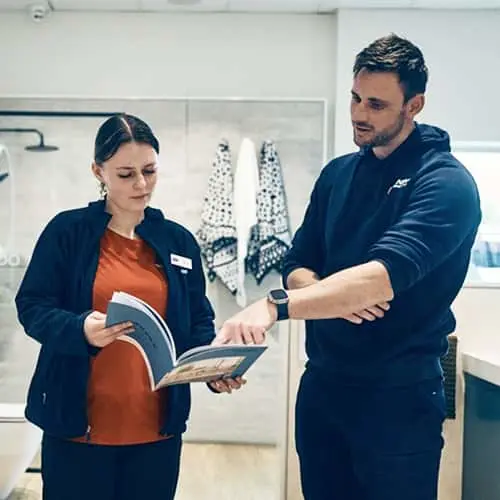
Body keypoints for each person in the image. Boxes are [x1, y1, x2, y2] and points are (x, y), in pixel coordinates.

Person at [213, 34, 482, 500]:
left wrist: (277, 306)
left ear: (413, 105)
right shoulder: (338, 174)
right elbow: (298, 261)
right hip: (323, 388)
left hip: (397, 397)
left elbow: (380, 278)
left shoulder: (446, 184)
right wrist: (332, 297)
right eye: (356, 97)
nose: (359, 113)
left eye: (376, 104)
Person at [15, 113, 245, 500]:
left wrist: (213, 366)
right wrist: (80, 329)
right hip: (78, 429)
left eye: (150, 170)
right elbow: (32, 306)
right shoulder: (66, 232)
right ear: (98, 171)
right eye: (125, 174)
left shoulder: (177, 241)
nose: (141, 184)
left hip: (156, 430)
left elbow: (197, 318)